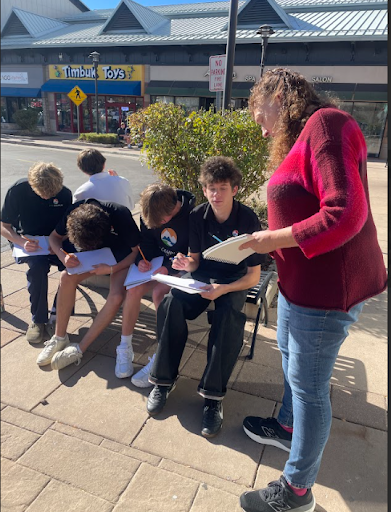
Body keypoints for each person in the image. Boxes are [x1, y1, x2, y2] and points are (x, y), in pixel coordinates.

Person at [238, 68, 387, 512]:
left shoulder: (327, 124)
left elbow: (344, 212)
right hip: (298, 285)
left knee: (309, 389)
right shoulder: (307, 136)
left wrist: (270, 240)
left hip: (323, 293)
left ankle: (297, 491)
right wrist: (274, 237)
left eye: (257, 110)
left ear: (280, 95)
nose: (258, 123)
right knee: (289, 364)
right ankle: (287, 427)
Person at [147, 156, 266, 438]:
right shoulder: (198, 215)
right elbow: (196, 261)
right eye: (211, 188)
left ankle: (213, 398)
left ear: (234, 189)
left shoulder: (247, 218)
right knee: (172, 302)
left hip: (234, 281)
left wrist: (224, 289)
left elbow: (252, 277)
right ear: (204, 189)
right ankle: (163, 381)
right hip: (204, 278)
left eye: (223, 188)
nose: (216, 194)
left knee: (227, 318)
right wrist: (184, 265)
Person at [36, 199, 140, 369]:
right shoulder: (74, 212)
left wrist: (112, 269)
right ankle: (59, 337)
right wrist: (64, 256)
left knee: (116, 297)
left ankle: (79, 348)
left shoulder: (120, 214)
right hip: (92, 258)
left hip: (119, 258)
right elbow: (54, 238)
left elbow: (136, 252)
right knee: (66, 277)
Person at [118, 183, 195, 385]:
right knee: (133, 289)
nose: (157, 224)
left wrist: (170, 268)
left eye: (161, 221)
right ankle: (124, 347)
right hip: (156, 265)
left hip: (181, 268)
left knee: (159, 293)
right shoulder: (151, 211)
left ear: (174, 208)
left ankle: (161, 359)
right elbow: (147, 241)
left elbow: (194, 252)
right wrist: (141, 260)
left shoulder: (193, 215)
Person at [1, 162, 72, 343]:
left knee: (72, 266)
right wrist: (21, 241)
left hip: (56, 238)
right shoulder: (18, 190)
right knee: (38, 267)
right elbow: (4, 226)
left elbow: (68, 226)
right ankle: (38, 320)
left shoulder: (65, 194)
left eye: (52, 194)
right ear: (32, 185)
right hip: (27, 239)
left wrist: (57, 242)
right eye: (43, 194)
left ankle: (56, 315)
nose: (48, 197)